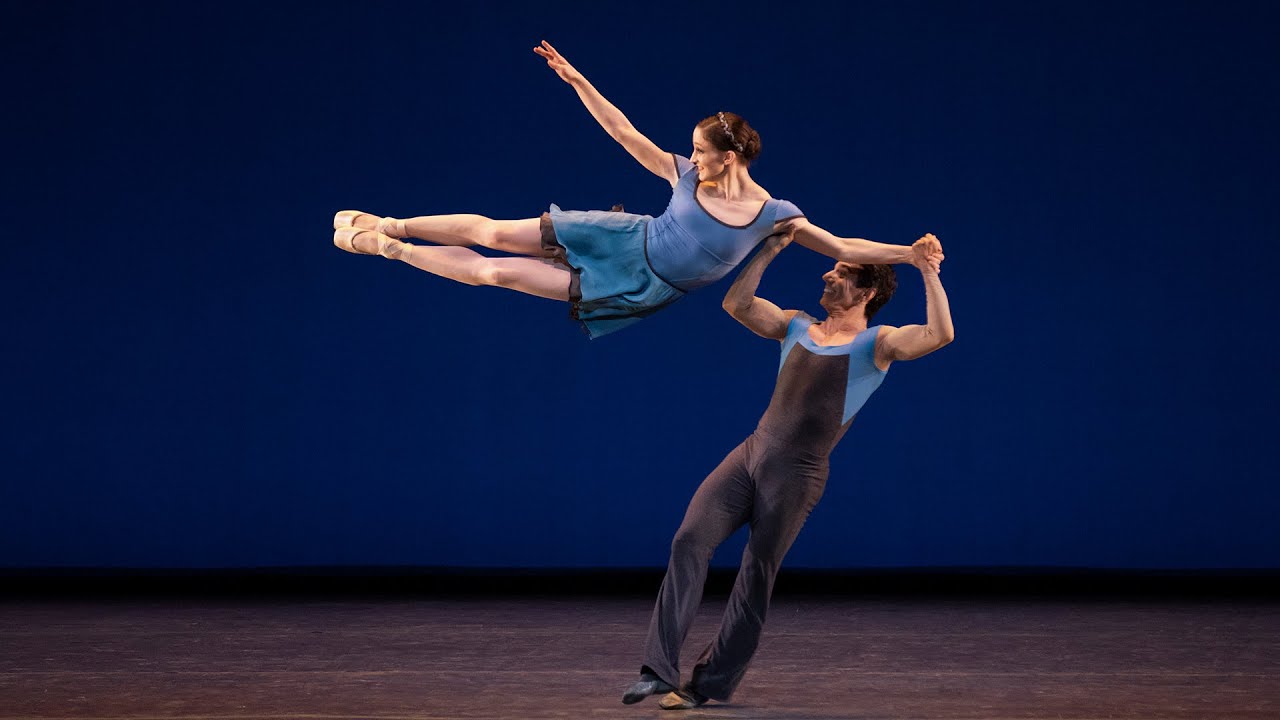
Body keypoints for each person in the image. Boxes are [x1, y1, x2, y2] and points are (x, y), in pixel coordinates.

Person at [332, 41, 940, 338]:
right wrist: (577, 81)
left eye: (701, 150)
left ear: (728, 157)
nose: (691, 156)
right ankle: (392, 224)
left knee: (497, 275)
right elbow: (624, 132)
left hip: (641, 286)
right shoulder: (681, 173)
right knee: (493, 232)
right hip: (623, 237)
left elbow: (844, 244)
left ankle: (389, 251)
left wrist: (909, 257)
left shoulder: (772, 215)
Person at [622, 231, 954, 709]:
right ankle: (658, 670)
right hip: (751, 453)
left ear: (866, 293)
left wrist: (927, 270)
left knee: (756, 574)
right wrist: (769, 250)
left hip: (798, 474)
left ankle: (707, 685)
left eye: (841, 272)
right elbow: (737, 305)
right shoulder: (797, 324)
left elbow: (939, 334)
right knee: (689, 540)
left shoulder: (876, 344)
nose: (828, 272)